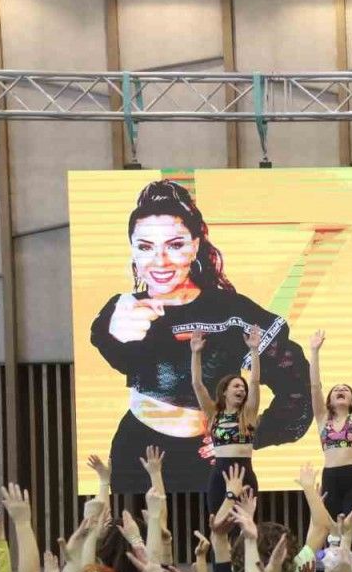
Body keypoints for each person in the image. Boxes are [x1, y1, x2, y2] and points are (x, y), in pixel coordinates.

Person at [90, 179, 311, 494]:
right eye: (145, 247)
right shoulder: (123, 310)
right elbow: (109, 345)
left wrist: (250, 434)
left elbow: (297, 387)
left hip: (208, 459)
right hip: (134, 452)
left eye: (175, 245)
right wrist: (114, 329)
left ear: (195, 245)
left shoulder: (231, 311)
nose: (160, 261)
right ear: (133, 250)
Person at [192, 327, 263, 513]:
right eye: (236, 386)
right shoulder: (214, 414)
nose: (242, 389)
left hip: (245, 475)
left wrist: (254, 350)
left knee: (245, 524)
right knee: (218, 523)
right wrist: (196, 353)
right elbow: (197, 385)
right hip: (219, 476)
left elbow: (254, 382)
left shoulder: (248, 414)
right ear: (224, 391)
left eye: (243, 388)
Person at [309, 329, 352, 518]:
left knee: (351, 528)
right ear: (329, 400)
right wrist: (314, 352)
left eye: (345, 390)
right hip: (330, 478)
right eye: (336, 390)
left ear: (351, 401)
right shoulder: (322, 419)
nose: (341, 390)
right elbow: (315, 387)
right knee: (332, 529)